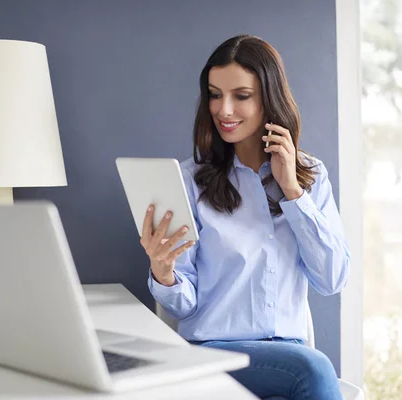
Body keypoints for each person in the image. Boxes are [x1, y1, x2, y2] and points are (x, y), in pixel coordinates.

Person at [142, 35, 349, 400]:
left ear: (269, 98)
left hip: (288, 354)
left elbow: (332, 279)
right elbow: (183, 306)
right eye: (215, 94)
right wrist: (164, 272)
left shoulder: (310, 176)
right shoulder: (191, 181)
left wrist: (292, 192)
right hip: (212, 353)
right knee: (314, 368)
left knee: (307, 367)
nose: (223, 110)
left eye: (241, 96)